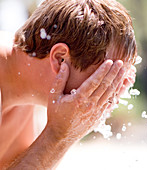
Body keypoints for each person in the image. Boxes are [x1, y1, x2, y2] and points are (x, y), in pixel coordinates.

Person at [0, 0, 137, 169]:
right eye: (104, 77)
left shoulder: (26, 88)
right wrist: (58, 135)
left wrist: (70, 129)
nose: (109, 93)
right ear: (59, 59)